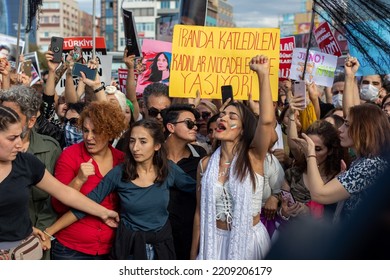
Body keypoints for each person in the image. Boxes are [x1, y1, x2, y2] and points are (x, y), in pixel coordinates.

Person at [44, 119, 196, 259]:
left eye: (143, 142)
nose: (135, 148)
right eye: (132, 141)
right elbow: (85, 206)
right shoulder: (119, 173)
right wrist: (49, 232)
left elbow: (201, 190)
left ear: (157, 145)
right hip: (129, 248)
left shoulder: (169, 170)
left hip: (162, 248)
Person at [0, 105, 119, 260]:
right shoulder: (71, 156)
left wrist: (104, 213)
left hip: (21, 254)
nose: (20, 144)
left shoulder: (26, 163)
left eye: (20, 136)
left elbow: (65, 193)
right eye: (12, 138)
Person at [191, 55, 275, 260]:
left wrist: (263, 75)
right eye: (222, 115)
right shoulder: (205, 164)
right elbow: (199, 213)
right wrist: (193, 255)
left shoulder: (254, 157)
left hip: (250, 243)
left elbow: (266, 122)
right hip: (214, 243)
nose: (223, 118)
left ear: (243, 129)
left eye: (232, 116)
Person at [291, 56, 390, 222]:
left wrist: (310, 154)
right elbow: (352, 112)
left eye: (346, 125)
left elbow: (319, 194)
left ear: (362, 130)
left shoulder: (370, 165)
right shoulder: (366, 159)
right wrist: (350, 77)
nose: (340, 130)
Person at [49, 101, 126, 260]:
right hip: (71, 250)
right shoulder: (70, 155)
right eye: (85, 130)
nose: (89, 137)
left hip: (110, 249)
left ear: (110, 132)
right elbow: (58, 206)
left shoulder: (122, 160)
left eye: (96, 131)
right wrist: (79, 180)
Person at [0, 85, 62, 259]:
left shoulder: (49, 149)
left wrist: (42, 231)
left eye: (13, 115)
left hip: (33, 244)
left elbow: (59, 196)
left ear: (31, 121)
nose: (6, 117)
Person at [163, 104, 207, 259]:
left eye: (195, 124)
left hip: (188, 233)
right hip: (158, 236)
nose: (195, 127)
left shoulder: (200, 156)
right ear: (171, 127)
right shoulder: (153, 155)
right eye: (189, 123)